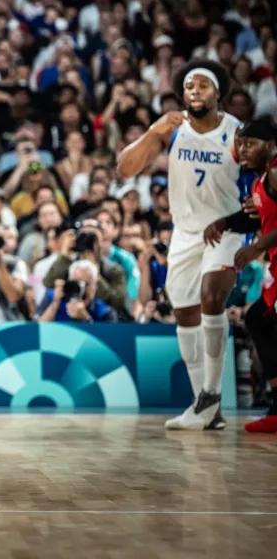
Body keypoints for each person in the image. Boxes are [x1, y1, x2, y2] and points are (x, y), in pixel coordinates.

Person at [117, 59, 241, 430]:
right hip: (185, 233)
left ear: (218, 92)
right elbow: (125, 168)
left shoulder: (237, 132)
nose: (195, 92)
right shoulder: (173, 129)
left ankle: (211, 396)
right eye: (189, 87)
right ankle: (205, 408)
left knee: (211, 296)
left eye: (203, 86)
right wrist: (153, 133)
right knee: (184, 312)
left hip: (225, 229)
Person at [202, 118, 277, 432]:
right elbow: (260, 218)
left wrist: (255, 247)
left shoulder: (275, 171)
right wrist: (225, 223)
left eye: (250, 143)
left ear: (270, 145)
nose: (242, 149)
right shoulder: (261, 180)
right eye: (240, 143)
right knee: (258, 318)